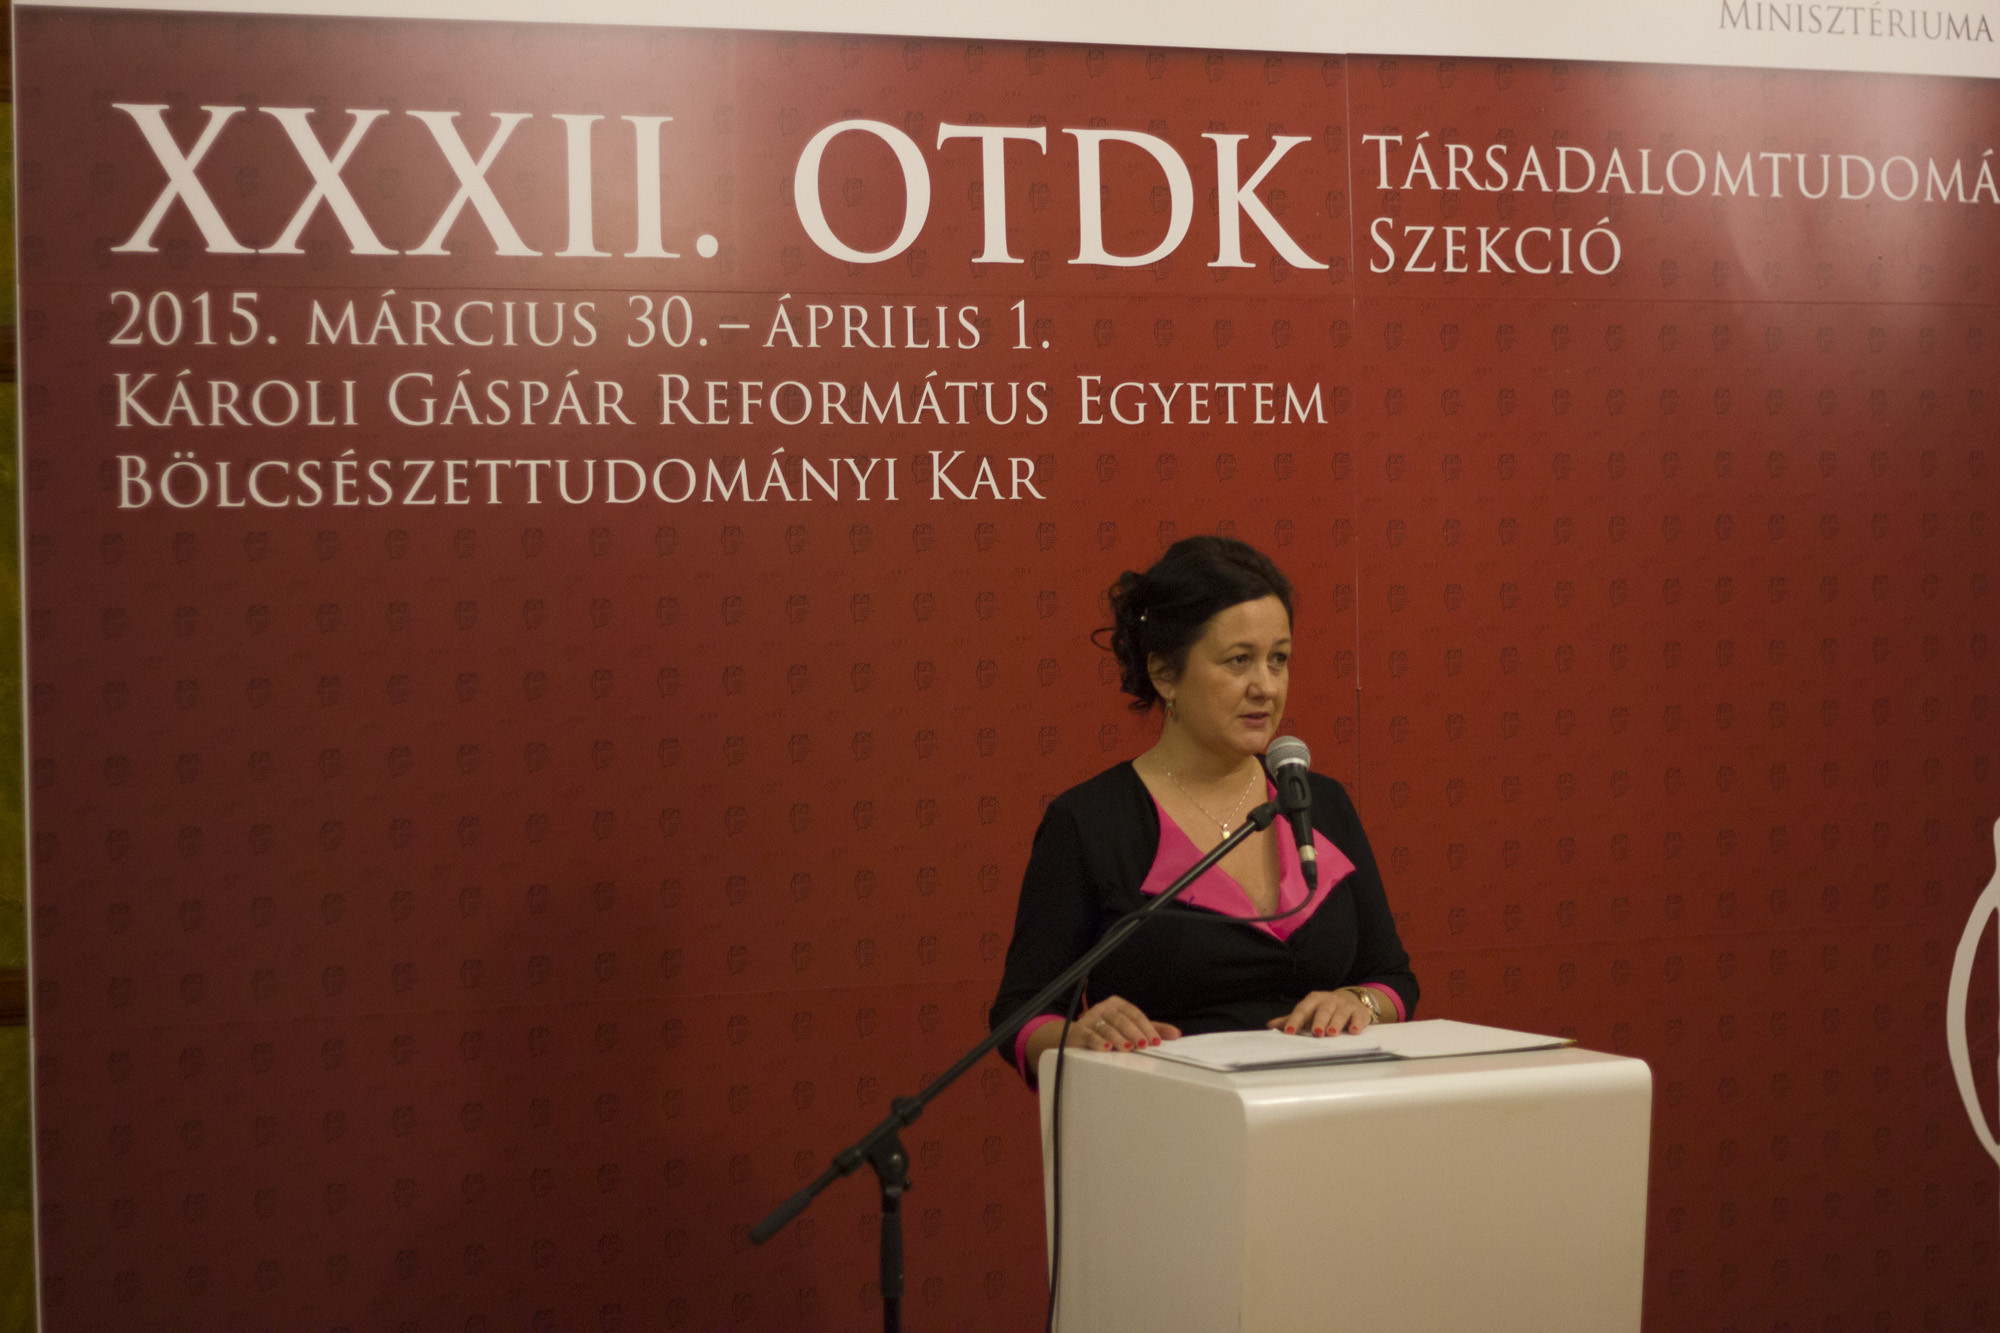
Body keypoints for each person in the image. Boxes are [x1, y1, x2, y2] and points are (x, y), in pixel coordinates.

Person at [989, 536, 1418, 1081]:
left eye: (1279, 659)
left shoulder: (1319, 803)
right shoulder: (1090, 821)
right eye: (1239, 661)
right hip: (1173, 1112)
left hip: (1326, 1106)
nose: (1266, 687)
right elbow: (1020, 1014)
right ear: (1165, 674)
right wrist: (1078, 1034)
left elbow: (1392, 977)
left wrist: (1360, 1002)